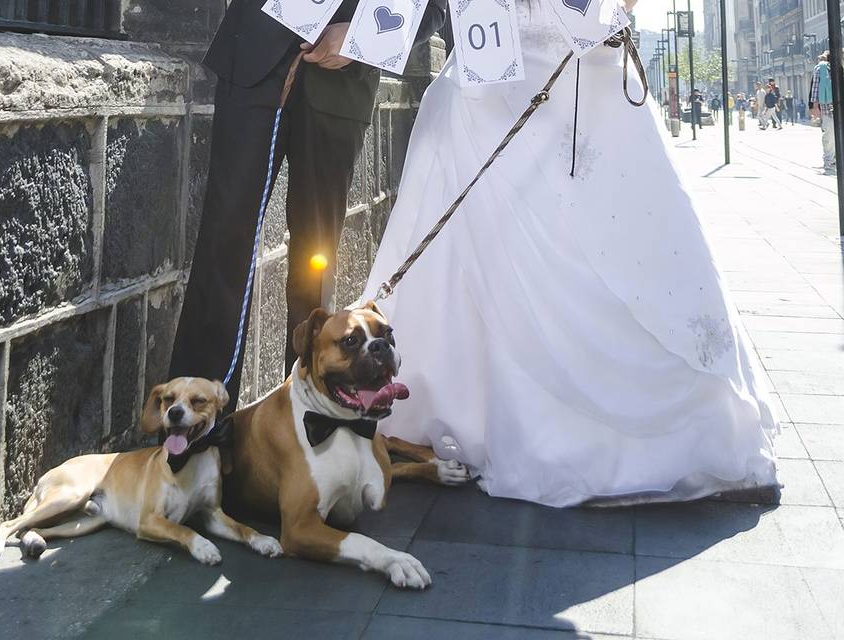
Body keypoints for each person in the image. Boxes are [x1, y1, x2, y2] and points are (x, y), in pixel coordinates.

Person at [362, 0, 778, 506]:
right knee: (479, 229)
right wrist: (363, 36)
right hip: (486, 66)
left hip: (581, 65)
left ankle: (674, 429)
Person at [169, 0, 447, 408]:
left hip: (341, 85)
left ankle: (302, 419)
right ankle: (194, 426)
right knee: (223, 242)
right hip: (255, 60)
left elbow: (433, 7)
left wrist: (359, 39)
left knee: (314, 265)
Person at [810, 51, 836, 174]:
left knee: (832, 135)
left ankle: (834, 159)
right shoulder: (821, 68)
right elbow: (815, 86)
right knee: (829, 135)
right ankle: (829, 161)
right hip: (828, 106)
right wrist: (815, 105)